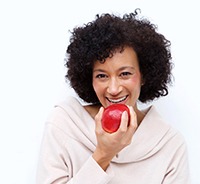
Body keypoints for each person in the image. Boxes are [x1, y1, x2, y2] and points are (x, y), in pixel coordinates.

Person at [36, 9, 190, 184]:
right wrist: (103, 154)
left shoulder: (170, 144)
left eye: (124, 74)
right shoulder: (64, 123)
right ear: (89, 78)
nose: (114, 89)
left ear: (144, 75)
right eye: (102, 76)